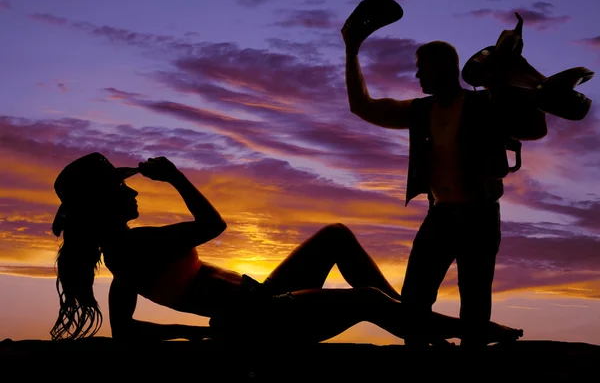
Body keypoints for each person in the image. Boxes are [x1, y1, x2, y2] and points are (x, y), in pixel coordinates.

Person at [49, 152, 523, 346]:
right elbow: (213, 224)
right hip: (262, 320)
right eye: (122, 189)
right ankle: (468, 331)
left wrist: (193, 333)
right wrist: (175, 177)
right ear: (103, 203)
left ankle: (414, 321)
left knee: (336, 235)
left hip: (265, 300)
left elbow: (125, 328)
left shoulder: (123, 251)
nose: (133, 191)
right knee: (368, 303)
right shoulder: (136, 248)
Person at [342, 29, 547, 348]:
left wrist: (514, 79)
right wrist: (351, 51)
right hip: (439, 216)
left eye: (422, 67)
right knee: (413, 305)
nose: (417, 74)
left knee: (475, 308)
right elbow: (363, 107)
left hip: (479, 216)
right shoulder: (421, 111)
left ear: (442, 68)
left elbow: (536, 128)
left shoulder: (485, 103)